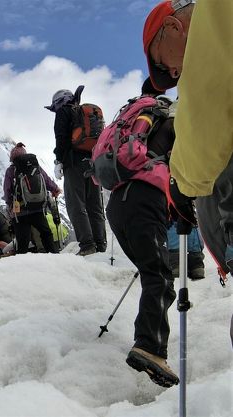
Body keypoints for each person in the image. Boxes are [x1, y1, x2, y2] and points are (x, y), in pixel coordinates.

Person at [143, 1, 233, 345]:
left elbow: (208, 108)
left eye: (162, 62)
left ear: (172, 26)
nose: (174, 73)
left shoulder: (216, 16)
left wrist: (181, 181)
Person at [105, 78, 179, 387]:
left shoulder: (132, 117)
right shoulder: (169, 119)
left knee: (153, 272)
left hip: (118, 204)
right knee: (160, 276)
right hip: (145, 200)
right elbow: (184, 167)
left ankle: (149, 345)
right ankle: (149, 348)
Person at [46, 87, 107, 255]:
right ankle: (100, 244)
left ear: (59, 102)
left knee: (76, 204)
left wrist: (59, 161)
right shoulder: (85, 113)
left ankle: (87, 245)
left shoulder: (63, 112)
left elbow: (61, 139)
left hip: (74, 163)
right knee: (94, 205)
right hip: (93, 162)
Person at [3, 143, 60, 254]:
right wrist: (55, 189)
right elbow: (47, 181)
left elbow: (7, 191)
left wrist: (11, 205)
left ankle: (23, 264)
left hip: (19, 212)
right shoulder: (35, 167)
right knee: (46, 233)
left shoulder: (11, 171)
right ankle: (54, 254)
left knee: (22, 240)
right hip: (37, 207)